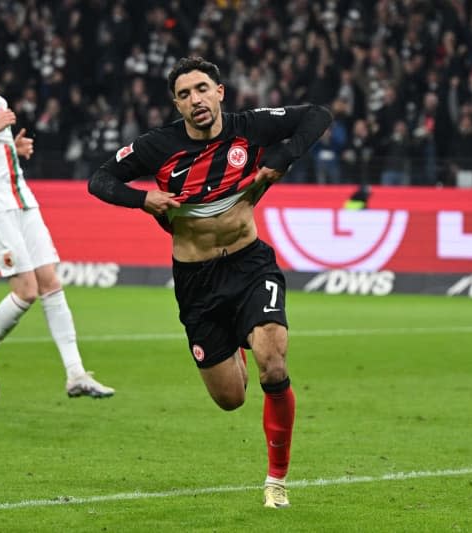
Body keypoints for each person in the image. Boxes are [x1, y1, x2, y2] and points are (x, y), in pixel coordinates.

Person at [88, 56, 331, 508]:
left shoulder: (250, 127)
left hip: (249, 263)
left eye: (202, 89)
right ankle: (237, 338)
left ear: (220, 92)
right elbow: (99, 180)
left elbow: (318, 115)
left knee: (273, 363)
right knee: (231, 398)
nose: (195, 100)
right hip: (197, 280)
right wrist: (143, 199)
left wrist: (281, 156)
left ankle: (276, 480)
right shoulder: (157, 146)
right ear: (176, 104)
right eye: (184, 94)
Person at [0, 28, 114, 401]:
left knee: (50, 280)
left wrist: (12, 148)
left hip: (22, 199)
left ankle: (76, 374)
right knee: (26, 289)